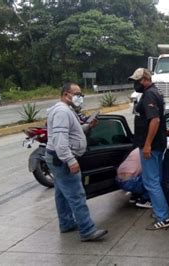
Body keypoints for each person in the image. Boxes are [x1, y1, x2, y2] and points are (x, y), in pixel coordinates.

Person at [45, 82, 107, 242]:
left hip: (58, 157)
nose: (80, 97)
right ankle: (87, 230)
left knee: (61, 193)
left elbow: (72, 132)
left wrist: (87, 127)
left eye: (81, 95)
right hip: (62, 158)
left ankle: (66, 223)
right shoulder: (61, 112)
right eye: (77, 94)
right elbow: (60, 140)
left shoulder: (67, 110)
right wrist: (70, 160)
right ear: (66, 95)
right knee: (76, 195)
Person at [129, 68, 169, 230]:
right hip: (157, 144)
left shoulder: (149, 95)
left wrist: (147, 145)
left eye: (137, 81)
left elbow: (155, 120)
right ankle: (161, 211)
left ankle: (163, 217)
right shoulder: (155, 92)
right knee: (156, 180)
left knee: (151, 181)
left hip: (151, 146)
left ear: (145, 79)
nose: (135, 84)